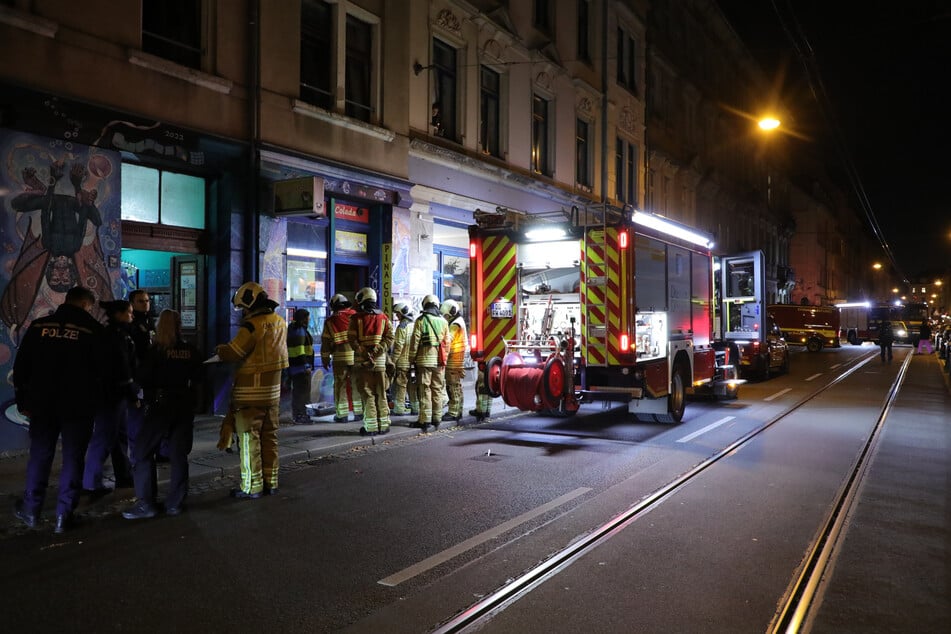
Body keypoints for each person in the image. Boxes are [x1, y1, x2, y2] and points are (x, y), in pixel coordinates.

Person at [13, 286, 105, 533]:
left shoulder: (39, 326)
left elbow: (21, 368)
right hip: (78, 407)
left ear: (67, 301)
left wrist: (23, 401)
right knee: (73, 458)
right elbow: (105, 372)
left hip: (42, 405)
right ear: (87, 305)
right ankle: (64, 516)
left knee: (40, 456)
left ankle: (31, 510)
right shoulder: (94, 331)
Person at [122, 309, 203, 519]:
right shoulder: (190, 350)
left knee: (142, 452)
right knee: (178, 455)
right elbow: (201, 378)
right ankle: (175, 503)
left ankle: (146, 504)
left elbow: (143, 378)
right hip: (183, 407)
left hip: (160, 406)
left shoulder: (155, 351)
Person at [216, 282, 288, 499]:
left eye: (243, 308)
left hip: (249, 394)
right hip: (273, 394)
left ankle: (251, 486)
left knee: (249, 440)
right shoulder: (280, 321)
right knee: (270, 438)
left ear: (249, 304)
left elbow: (234, 352)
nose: (243, 313)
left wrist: (219, 349)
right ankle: (271, 482)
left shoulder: (251, 326)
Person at [82, 299, 137, 497]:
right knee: (104, 438)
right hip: (111, 395)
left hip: (113, 395)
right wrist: (131, 391)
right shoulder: (115, 336)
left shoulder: (114, 334)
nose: (132, 316)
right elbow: (122, 367)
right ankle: (91, 483)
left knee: (118, 437)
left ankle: (123, 475)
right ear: (119, 314)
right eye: (129, 312)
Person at [347, 287, 395, 435]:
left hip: (363, 364)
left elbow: (352, 339)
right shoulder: (384, 318)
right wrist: (377, 351)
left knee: (367, 394)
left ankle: (371, 427)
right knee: (381, 393)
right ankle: (384, 425)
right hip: (380, 364)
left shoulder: (356, 319)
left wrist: (365, 353)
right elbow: (390, 338)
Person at [409, 294, 450, 432]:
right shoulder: (444, 322)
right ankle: (437, 418)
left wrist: (411, 359)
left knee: (425, 389)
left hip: (424, 361)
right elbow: (447, 343)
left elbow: (415, 342)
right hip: (439, 362)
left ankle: (425, 420)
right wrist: (444, 358)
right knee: (437, 389)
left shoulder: (421, 320)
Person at [321, 294, 363, 423]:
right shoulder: (355, 316)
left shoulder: (330, 320)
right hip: (356, 356)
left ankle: (342, 415)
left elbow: (326, 341)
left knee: (340, 385)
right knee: (357, 384)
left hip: (340, 357)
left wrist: (325, 358)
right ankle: (359, 412)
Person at [126, 289, 154, 463]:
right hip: (136, 378)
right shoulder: (133, 325)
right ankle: (136, 456)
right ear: (132, 303)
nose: (146, 304)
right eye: (141, 301)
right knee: (135, 419)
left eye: (147, 300)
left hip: (147, 377)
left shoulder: (148, 321)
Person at [440, 299, 468, 423]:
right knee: (456, 385)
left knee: (452, 386)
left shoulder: (455, 324)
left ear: (452, 312)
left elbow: (448, 340)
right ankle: (458, 410)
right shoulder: (459, 321)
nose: (445, 318)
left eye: (446, 315)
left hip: (454, 359)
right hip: (458, 358)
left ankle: (454, 412)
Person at [287, 309, 315, 423]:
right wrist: (306, 366)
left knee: (297, 392)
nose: (309, 320)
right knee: (303, 393)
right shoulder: (299, 331)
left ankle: (298, 415)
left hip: (294, 367)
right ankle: (302, 415)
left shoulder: (292, 329)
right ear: (303, 319)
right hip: (301, 368)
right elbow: (300, 351)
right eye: (308, 318)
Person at [390, 302, 418, 416]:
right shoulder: (415, 325)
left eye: (398, 314)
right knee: (412, 386)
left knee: (401, 385)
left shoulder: (402, 327)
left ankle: (399, 409)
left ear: (403, 314)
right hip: (412, 364)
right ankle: (415, 408)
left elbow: (398, 346)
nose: (397, 316)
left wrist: (392, 361)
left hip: (402, 364)